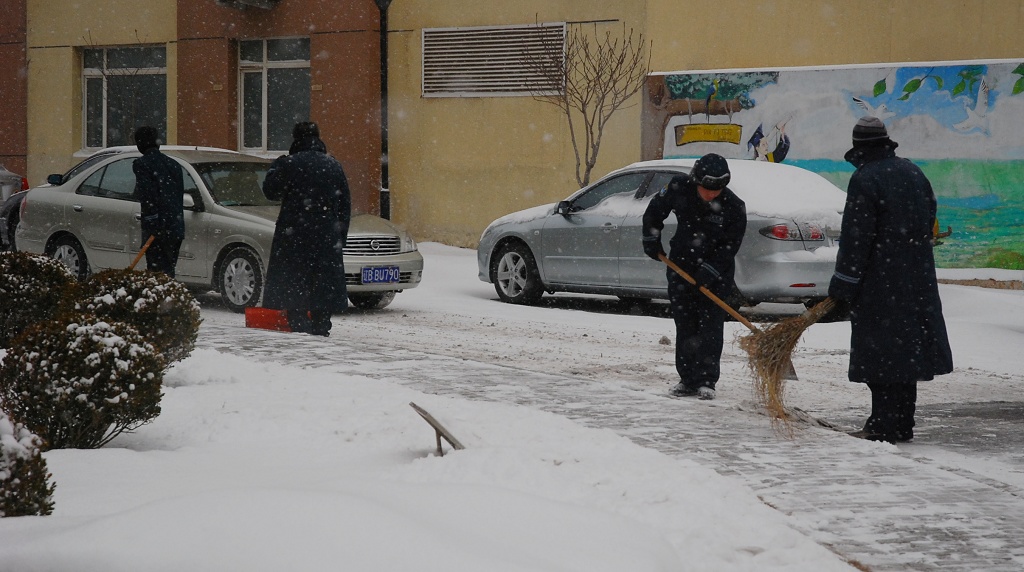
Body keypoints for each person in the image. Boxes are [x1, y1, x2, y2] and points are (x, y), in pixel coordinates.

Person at [829, 116, 954, 443]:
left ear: (858, 147)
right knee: (905, 353)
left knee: (882, 354)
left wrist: (843, 284)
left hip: (881, 281)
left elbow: (856, 237)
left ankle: (882, 425)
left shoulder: (865, 178)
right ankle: (902, 423)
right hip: (916, 277)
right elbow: (930, 217)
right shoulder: (913, 172)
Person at [642, 153, 747, 400]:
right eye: (707, 189)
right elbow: (654, 212)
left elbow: (730, 246)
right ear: (696, 181)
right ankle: (687, 379)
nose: (712, 195)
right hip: (681, 265)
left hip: (716, 272)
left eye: (717, 190)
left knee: (710, 326)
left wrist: (708, 272)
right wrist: (651, 240)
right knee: (685, 324)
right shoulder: (679, 187)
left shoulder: (733, 206)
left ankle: (707, 380)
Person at [262, 122, 351, 336]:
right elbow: (344, 206)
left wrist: (276, 166)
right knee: (322, 287)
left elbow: (270, 191)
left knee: (295, 287)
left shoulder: (289, 164)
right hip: (326, 237)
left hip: (295, 237)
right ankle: (322, 327)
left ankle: (300, 327)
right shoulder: (333, 165)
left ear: (295, 139)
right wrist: (340, 237)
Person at [132, 126, 185, 277]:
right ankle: (169, 296)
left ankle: (161, 299)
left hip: (157, 229)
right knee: (168, 270)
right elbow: (177, 196)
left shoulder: (142, 164)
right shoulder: (174, 164)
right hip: (175, 227)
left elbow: (148, 195)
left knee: (156, 273)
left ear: (140, 144)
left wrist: (153, 223)